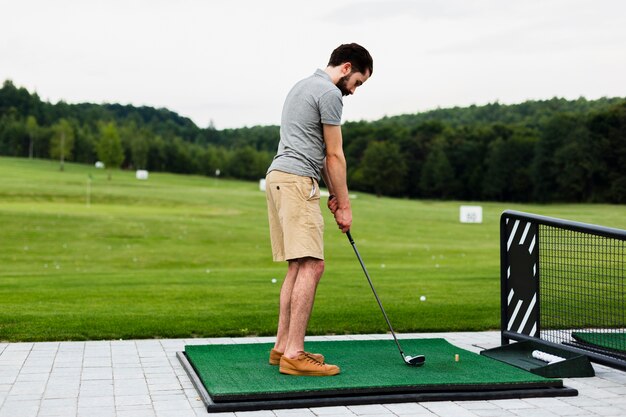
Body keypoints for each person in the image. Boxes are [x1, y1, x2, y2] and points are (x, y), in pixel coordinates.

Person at [265, 43, 373, 376]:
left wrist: (330, 192)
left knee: (298, 266)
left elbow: (312, 146)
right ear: (346, 67)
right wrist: (345, 204)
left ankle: (283, 346)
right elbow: (334, 155)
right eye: (356, 82)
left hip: (279, 177)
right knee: (313, 265)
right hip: (297, 180)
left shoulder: (302, 85)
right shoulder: (329, 93)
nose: (353, 91)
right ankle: (295, 354)